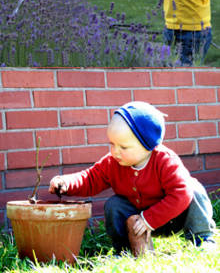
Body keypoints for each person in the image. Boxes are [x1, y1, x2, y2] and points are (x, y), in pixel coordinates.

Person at [49, 101, 216, 256]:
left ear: (148, 145)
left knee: (191, 189)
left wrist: (150, 219)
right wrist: (66, 183)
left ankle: (202, 239)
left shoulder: (164, 160)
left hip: (173, 217)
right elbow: (91, 178)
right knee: (114, 205)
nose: (115, 151)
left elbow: (181, 194)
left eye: (123, 147)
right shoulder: (113, 162)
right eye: (112, 144)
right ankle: (124, 250)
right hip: (136, 222)